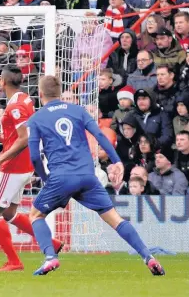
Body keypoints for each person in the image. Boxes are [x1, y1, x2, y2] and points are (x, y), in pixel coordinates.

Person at [26, 75, 165, 276]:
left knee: (36, 215)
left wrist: (45, 178)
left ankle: (50, 257)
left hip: (60, 177)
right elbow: (100, 134)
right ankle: (148, 256)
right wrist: (117, 160)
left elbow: (33, 157)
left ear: (40, 95)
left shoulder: (36, 119)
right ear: (59, 93)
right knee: (115, 219)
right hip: (87, 176)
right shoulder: (77, 110)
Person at [0, 66, 62, 271]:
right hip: (24, 165)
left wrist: (0, 158)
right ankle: (52, 244)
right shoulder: (25, 98)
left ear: (2, 82)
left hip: (13, 166)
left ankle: (14, 261)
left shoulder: (14, 106)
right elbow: (22, 134)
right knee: (9, 212)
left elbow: (25, 138)